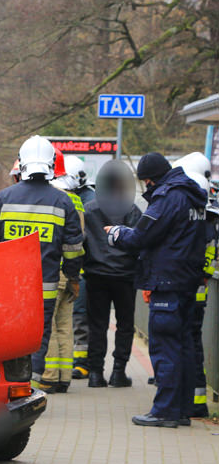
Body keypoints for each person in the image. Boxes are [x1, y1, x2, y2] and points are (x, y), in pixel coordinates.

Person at [106, 152, 206, 427]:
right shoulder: (193, 196)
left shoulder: (168, 197)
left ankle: (164, 411)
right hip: (187, 281)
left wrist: (116, 233)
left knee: (166, 349)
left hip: (167, 282)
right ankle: (182, 409)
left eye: (147, 182)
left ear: (151, 180)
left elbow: (142, 235)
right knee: (184, 346)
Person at [0, 136, 84, 392]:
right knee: (38, 339)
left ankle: (6, 387)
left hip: (7, 288)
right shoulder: (63, 201)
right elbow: (73, 250)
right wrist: (73, 279)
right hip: (44, 288)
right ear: (51, 164)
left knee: (7, 337)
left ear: (22, 163)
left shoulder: (4, 198)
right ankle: (27, 389)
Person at [82, 160, 141, 388]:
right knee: (125, 324)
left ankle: (96, 373)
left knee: (97, 324)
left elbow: (82, 242)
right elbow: (139, 242)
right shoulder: (132, 210)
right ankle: (119, 372)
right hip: (125, 276)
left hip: (96, 275)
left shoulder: (90, 209)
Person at [173, 152, 216, 418]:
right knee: (192, 343)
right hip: (197, 288)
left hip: (187, 289)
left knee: (184, 343)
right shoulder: (208, 218)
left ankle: (187, 400)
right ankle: (195, 399)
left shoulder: (195, 217)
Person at [40, 157, 86, 393]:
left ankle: (49, 377)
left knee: (48, 325)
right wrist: (74, 276)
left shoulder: (55, 199)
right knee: (64, 326)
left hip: (53, 271)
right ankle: (64, 377)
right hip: (71, 270)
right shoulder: (77, 201)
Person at [64, 156, 96, 378]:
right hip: (77, 267)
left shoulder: (88, 201)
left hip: (84, 269)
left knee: (80, 316)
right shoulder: (78, 197)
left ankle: (82, 362)